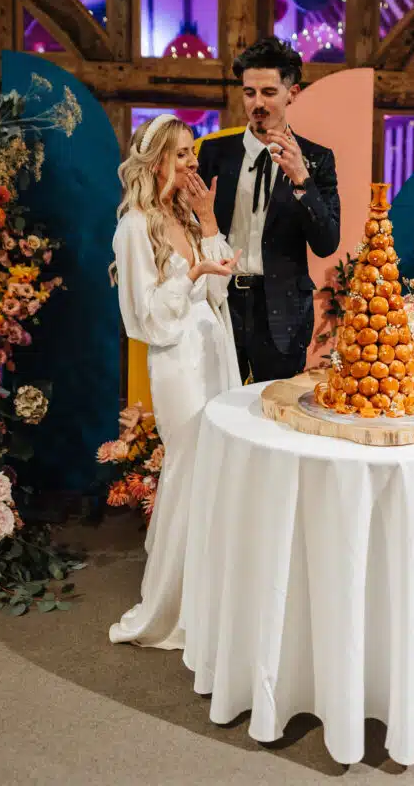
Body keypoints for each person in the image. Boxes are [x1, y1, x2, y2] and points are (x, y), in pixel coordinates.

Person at [108, 114, 241, 649]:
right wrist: (190, 276)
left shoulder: (183, 215)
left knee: (218, 474)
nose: (192, 163)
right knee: (190, 471)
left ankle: (212, 598)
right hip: (178, 362)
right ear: (156, 159)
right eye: (182, 153)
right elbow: (148, 320)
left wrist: (208, 222)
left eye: (193, 152)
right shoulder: (134, 227)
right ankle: (173, 607)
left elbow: (222, 285)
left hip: (214, 349)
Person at [197, 36, 341, 383]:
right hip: (220, 302)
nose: (257, 103)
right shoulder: (214, 154)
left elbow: (326, 243)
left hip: (283, 311)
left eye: (269, 92)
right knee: (217, 411)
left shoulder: (317, 160)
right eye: (249, 92)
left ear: (292, 93)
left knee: (273, 415)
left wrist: (301, 179)